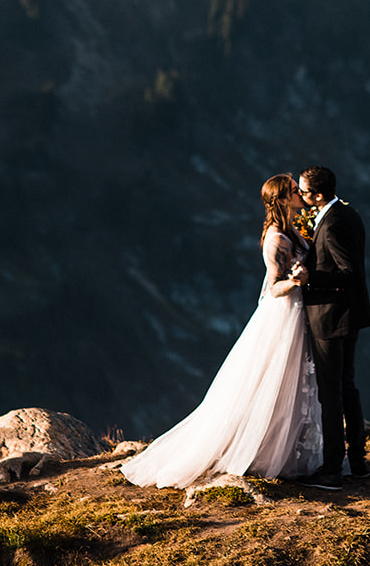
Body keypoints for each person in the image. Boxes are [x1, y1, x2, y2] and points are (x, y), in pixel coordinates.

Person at [121, 175, 322, 488]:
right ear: (281, 199)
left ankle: (289, 451)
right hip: (284, 315)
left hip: (298, 314)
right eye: (294, 191)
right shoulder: (276, 240)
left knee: (292, 383)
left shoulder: (292, 229)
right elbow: (272, 287)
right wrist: (296, 280)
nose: (300, 194)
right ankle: (262, 452)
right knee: (273, 380)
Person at [298, 165, 370, 490]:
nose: (300, 196)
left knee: (331, 394)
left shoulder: (331, 226)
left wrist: (310, 276)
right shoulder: (348, 214)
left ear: (316, 195)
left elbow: (348, 273)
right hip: (349, 316)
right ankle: (357, 463)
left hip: (330, 318)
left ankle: (331, 470)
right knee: (347, 388)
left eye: (303, 192)